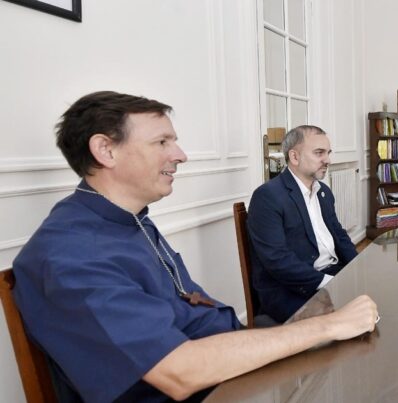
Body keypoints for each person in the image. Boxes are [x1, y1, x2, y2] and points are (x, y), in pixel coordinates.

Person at [11, 91, 378, 402]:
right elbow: (180, 373)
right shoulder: (71, 254)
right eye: (162, 142)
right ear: (105, 150)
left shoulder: (128, 219)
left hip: (224, 371)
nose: (181, 155)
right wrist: (326, 326)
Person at [247, 125, 358, 322]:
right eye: (319, 153)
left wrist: (357, 267)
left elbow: (339, 235)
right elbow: (277, 260)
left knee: (379, 295)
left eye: (328, 153)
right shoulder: (267, 197)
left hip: (329, 273)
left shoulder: (323, 192)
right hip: (290, 289)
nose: (327, 160)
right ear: (295, 157)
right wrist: (329, 283)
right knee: (351, 318)